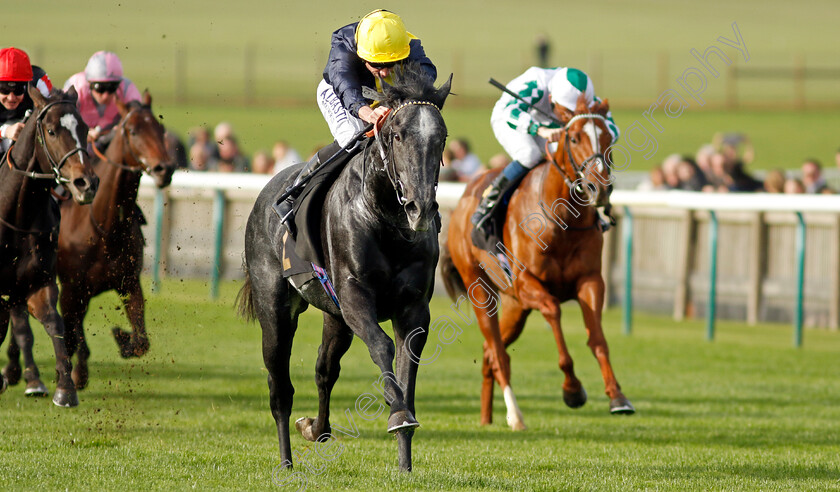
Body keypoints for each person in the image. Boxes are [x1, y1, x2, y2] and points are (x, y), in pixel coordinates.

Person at [275, 9, 436, 219]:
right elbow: (345, 86)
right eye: (378, 65)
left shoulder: (408, 45)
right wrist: (368, 113)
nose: (385, 71)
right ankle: (296, 191)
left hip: (383, 96)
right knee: (353, 139)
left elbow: (427, 74)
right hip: (340, 93)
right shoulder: (344, 45)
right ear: (362, 54)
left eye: (391, 63)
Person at [472, 67, 619, 231]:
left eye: (574, 112)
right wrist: (540, 130)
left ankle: (593, 210)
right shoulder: (535, 83)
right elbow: (509, 110)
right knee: (529, 154)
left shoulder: (588, 99)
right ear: (551, 98)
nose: (568, 117)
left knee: (573, 159)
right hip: (511, 120)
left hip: (552, 129)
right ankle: (488, 205)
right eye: (566, 112)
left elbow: (612, 130)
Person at [63, 51, 141, 144]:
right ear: (89, 83)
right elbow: (62, 122)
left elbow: (140, 121)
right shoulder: (76, 87)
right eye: (100, 88)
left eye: (112, 88)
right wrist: (81, 133)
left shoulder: (127, 89)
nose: (106, 95)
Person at [0, 47, 53, 153]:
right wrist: (5, 131)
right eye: (4, 90)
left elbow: (54, 118)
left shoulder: (40, 83)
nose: (11, 98)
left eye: (18, 90)